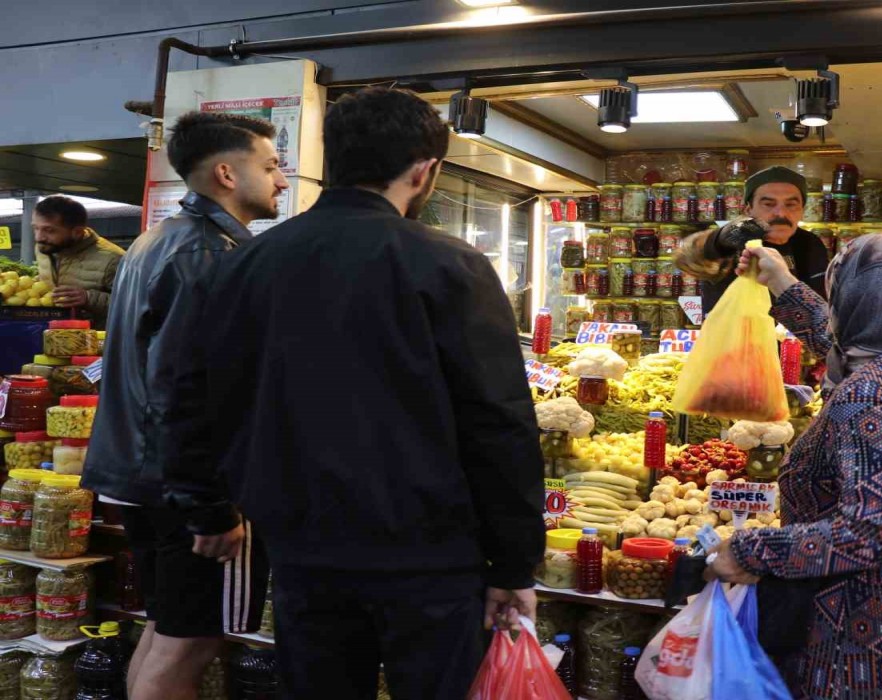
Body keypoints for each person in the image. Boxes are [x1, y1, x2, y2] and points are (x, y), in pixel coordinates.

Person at [168, 87, 545, 699]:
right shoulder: (452, 266)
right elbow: (498, 422)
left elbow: (191, 397)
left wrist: (207, 507)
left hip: (300, 549)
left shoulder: (244, 264)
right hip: (430, 557)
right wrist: (513, 561)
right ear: (425, 172)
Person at [709, 233, 882, 699]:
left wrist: (752, 550)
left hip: (861, 633)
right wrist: (782, 283)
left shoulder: (870, 395)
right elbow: (852, 345)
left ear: (855, 302)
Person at [81, 111, 288, 700]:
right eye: (270, 166)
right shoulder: (208, 254)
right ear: (226, 172)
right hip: (183, 483)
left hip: (144, 473)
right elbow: (185, 388)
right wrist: (212, 506)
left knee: (167, 627)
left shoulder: (157, 239)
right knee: (191, 640)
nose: (280, 179)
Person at [674, 165, 829, 314]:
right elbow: (686, 257)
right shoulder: (733, 240)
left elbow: (821, 304)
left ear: (802, 210)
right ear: (748, 209)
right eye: (768, 204)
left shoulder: (810, 244)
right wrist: (718, 239)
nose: (781, 213)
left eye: (791, 205)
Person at [33, 195, 125, 328]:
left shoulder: (113, 259)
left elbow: (135, 304)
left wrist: (89, 298)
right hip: (53, 337)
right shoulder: (44, 248)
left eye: (49, 230)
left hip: (94, 343)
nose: (39, 237)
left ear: (76, 232)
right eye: (36, 228)